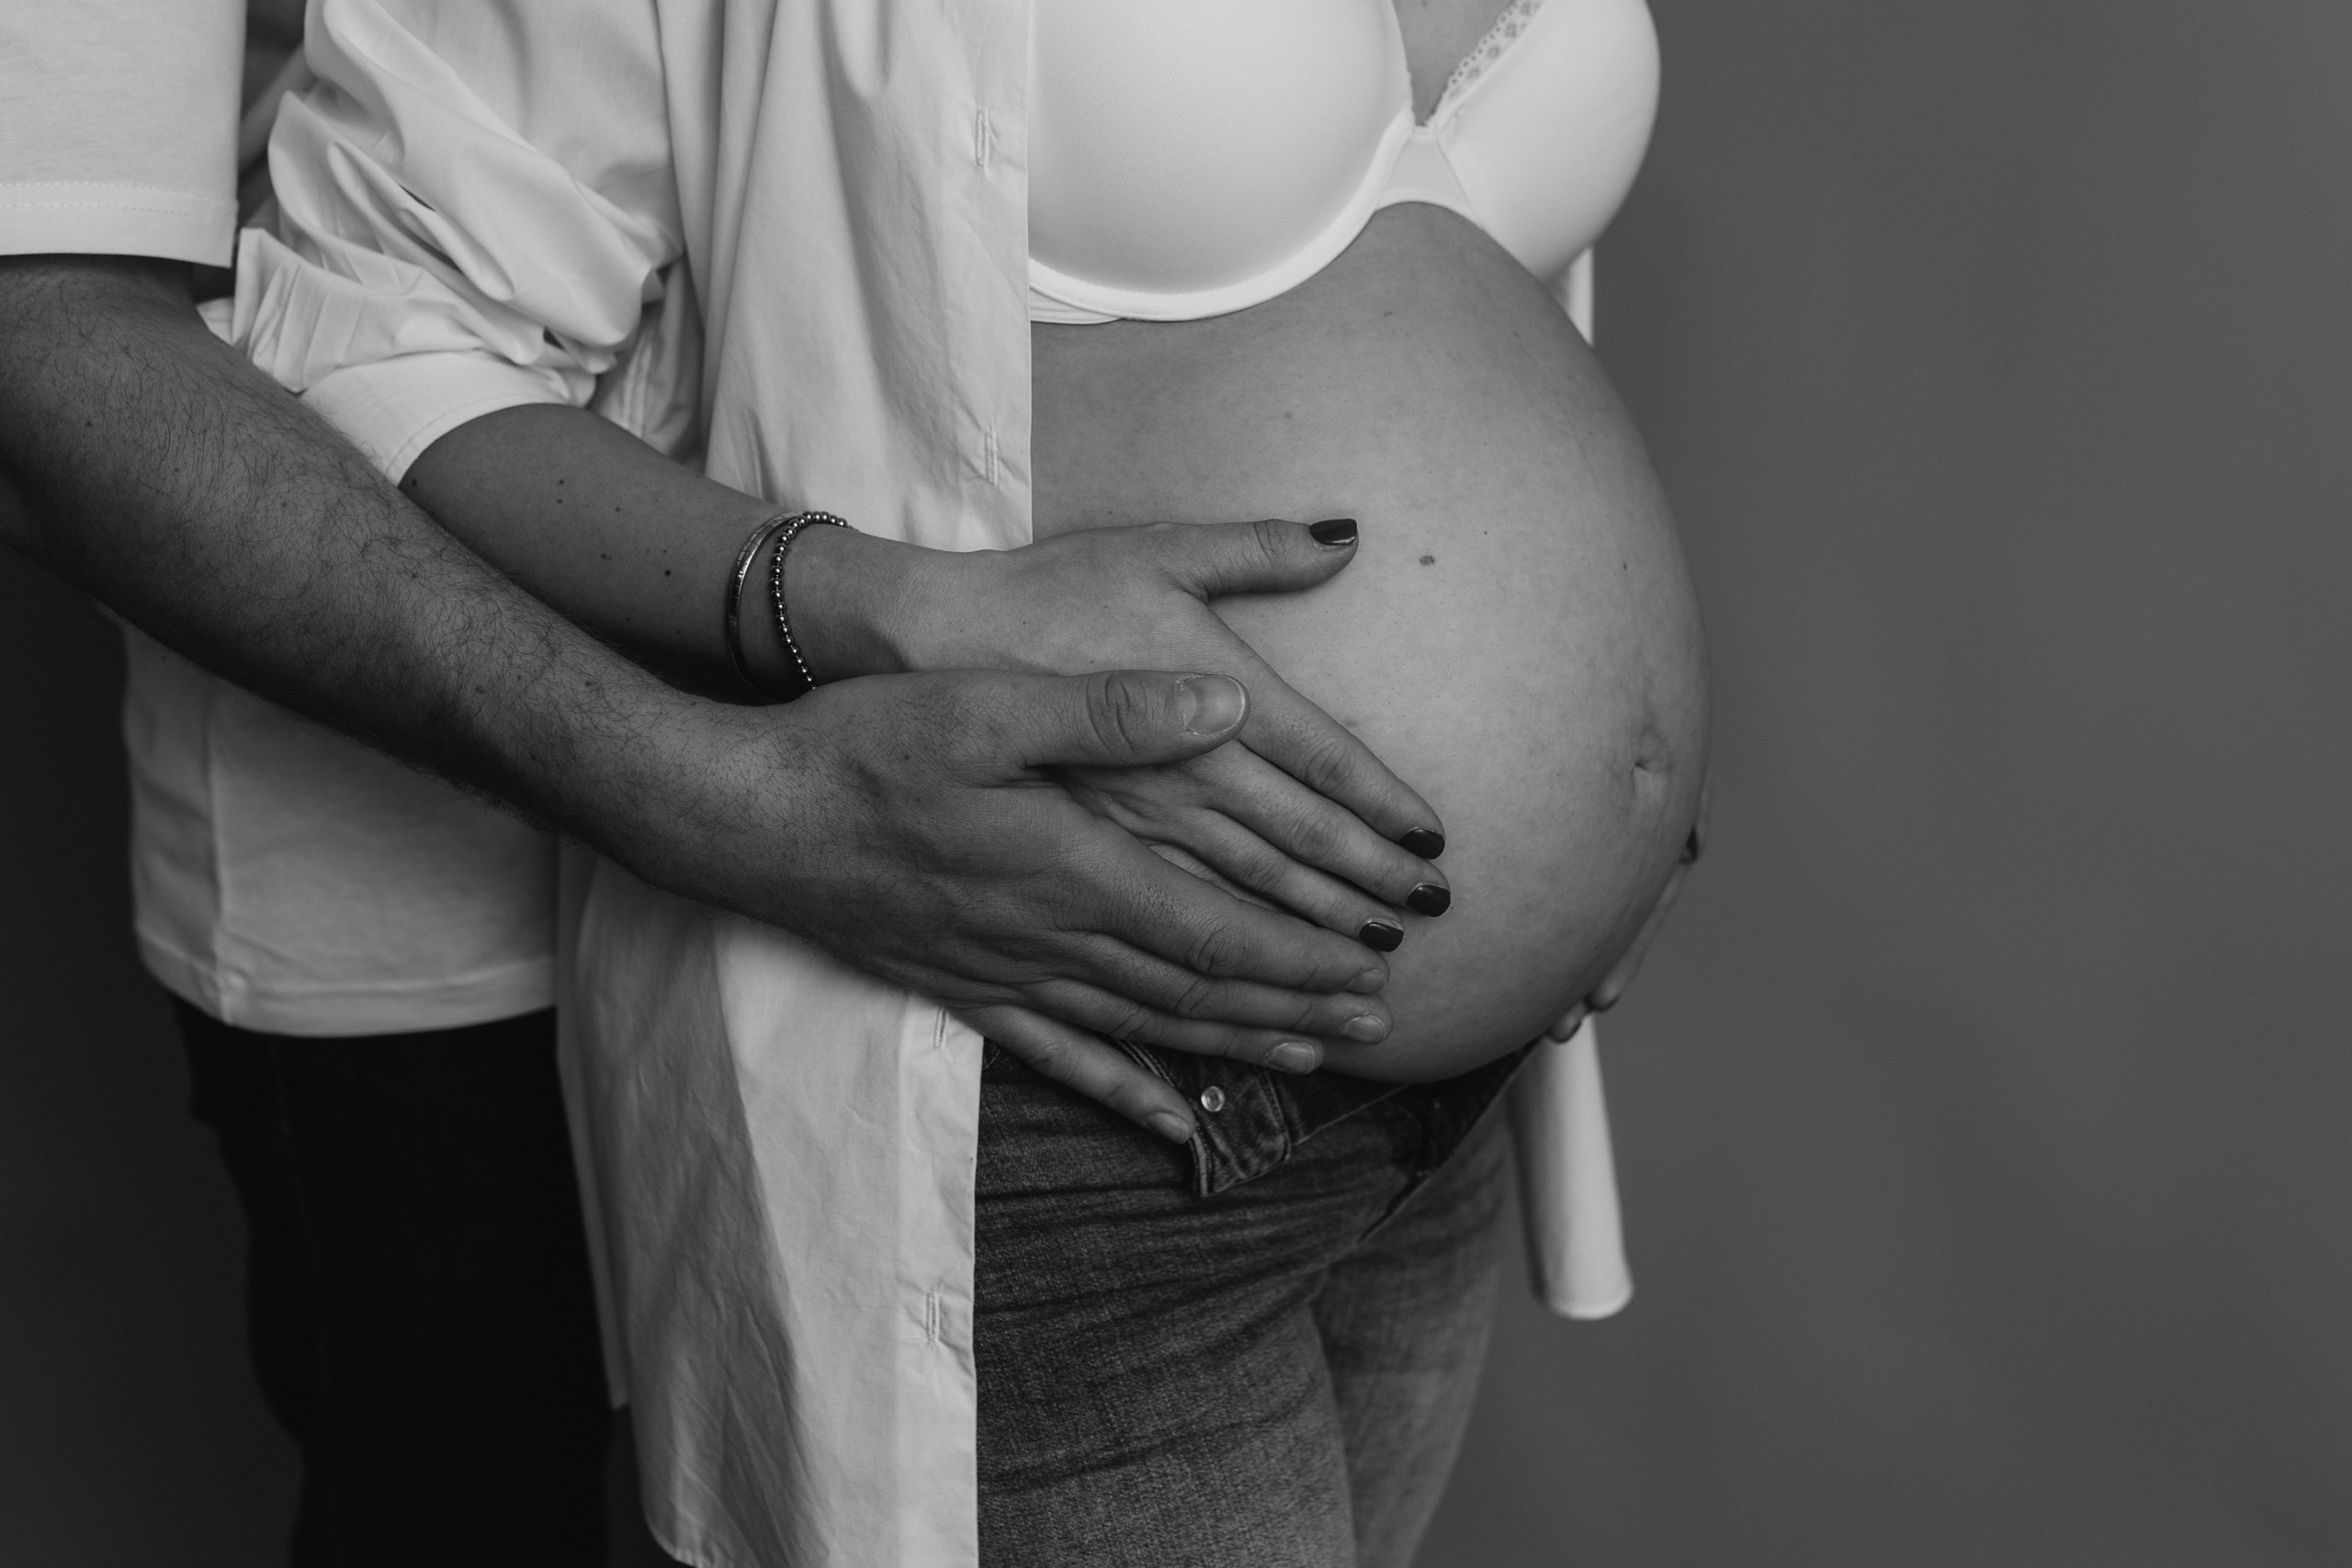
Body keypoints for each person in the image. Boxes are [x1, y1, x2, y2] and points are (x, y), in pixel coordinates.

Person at [238, 0, 1710, 1562]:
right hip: (1066, 1090)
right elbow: (354, 328)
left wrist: (1614, 750)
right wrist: (866, 599)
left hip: (1438, 1125)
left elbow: (1464, 283)